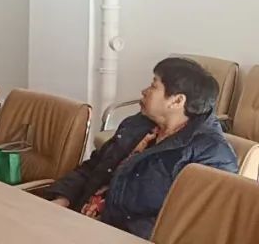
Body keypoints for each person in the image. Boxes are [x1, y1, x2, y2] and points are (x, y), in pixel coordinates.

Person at [44, 57, 238, 239]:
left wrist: (107, 233)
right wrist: (63, 198)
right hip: (79, 222)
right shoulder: (138, 125)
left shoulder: (213, 156)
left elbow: (188, 225)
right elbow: (94, 166)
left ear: (177, 101)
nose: (144, 91)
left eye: (154, 86)